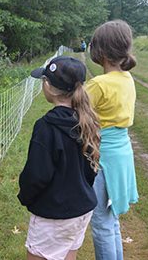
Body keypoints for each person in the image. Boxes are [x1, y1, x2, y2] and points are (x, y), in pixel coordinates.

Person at [18, 56, 101, 260]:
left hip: (53, 215)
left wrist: (25, 197)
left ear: (48, 86)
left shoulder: (46, 127)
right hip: (81, 210)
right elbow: (92, 168)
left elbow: (37, 174)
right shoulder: (87, 121)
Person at [86, 19, 139, 260]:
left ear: (101, 51)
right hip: (121, 154)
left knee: (101, 224)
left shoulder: (98, 84)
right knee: (111, 220)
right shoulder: (127, 78)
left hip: (102, 157)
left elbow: (74, 113)